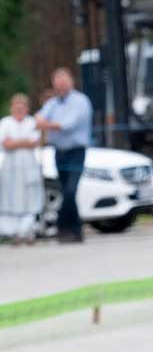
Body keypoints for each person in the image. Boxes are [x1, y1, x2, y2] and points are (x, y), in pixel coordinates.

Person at [35, 68, 93, 244]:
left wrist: (47, 124)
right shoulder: (52, 103)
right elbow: (38, 117)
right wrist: (45, 122)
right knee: (64, 192)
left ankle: (64, 226)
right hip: (58, 153)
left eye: (63, 83)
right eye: (57, 84)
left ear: (71, 82)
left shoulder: (80, 101)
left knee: (70, 191)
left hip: (76, 152)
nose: (60, 87)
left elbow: (68, 125)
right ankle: (73, 231)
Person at [0, 94, 43, 244]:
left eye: (22, 106)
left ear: (27, 108)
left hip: (28, 167)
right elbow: (6, 144)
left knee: (30, 200)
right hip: (10, 168)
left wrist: (16, 142)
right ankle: (14, 234)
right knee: (11, 200)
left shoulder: (32, 122)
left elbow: (34, 142)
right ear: (12, 108)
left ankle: (29, 232)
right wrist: (24, 141)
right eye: (16, 106)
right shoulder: (5, 123)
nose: (19, 109)